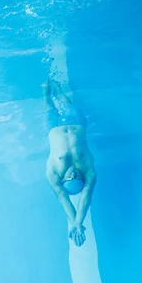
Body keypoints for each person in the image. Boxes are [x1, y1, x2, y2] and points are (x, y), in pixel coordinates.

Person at [44, 79, 96, 247]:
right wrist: (79, 223)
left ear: (63, 180)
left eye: (69, 177)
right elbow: (86, 195)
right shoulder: (88, 169)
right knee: (66, 101)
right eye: (77, 176)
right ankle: (58, 89)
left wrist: (74, 223)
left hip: (53, 128)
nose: (73, 173)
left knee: (49, 104)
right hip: (76, 123)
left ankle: (46, 92)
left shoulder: (52, 173)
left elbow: (63, 198)